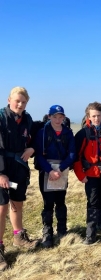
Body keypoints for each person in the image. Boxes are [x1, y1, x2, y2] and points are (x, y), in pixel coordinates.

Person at [0, 87, 39, 271]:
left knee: (17, 202)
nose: (20, 104)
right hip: (2, 167)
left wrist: (32, 148)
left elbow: (34, 137)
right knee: (1, 207)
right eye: (17, 101)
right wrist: (0, 173)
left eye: (24, 102)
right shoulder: (1, 118)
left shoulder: (27, 119)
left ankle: (18, 236)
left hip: (18, 167)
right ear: (9, 100)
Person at [74, 102, 101, 245]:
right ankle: (91, 233)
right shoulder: (83, 134)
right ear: (88, 116)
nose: (96, 119)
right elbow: (77, 157)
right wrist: (81, 176)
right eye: (93, 116)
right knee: (92, 201)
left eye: (99, 115)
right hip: (90, 174)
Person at [35, 105, 75, 248]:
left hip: (62, 171)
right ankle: (48, 232)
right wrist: (50, 170)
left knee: (60, 201)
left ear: (64, 117)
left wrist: (60, 169)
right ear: (49, 116)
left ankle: (62, 230)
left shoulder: (68, 133)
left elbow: (72, 154)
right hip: (46, 172)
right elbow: (38, 154)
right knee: (48, 203)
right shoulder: (42, 133)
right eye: (55, 116)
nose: (58, 120)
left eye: (60, 117)